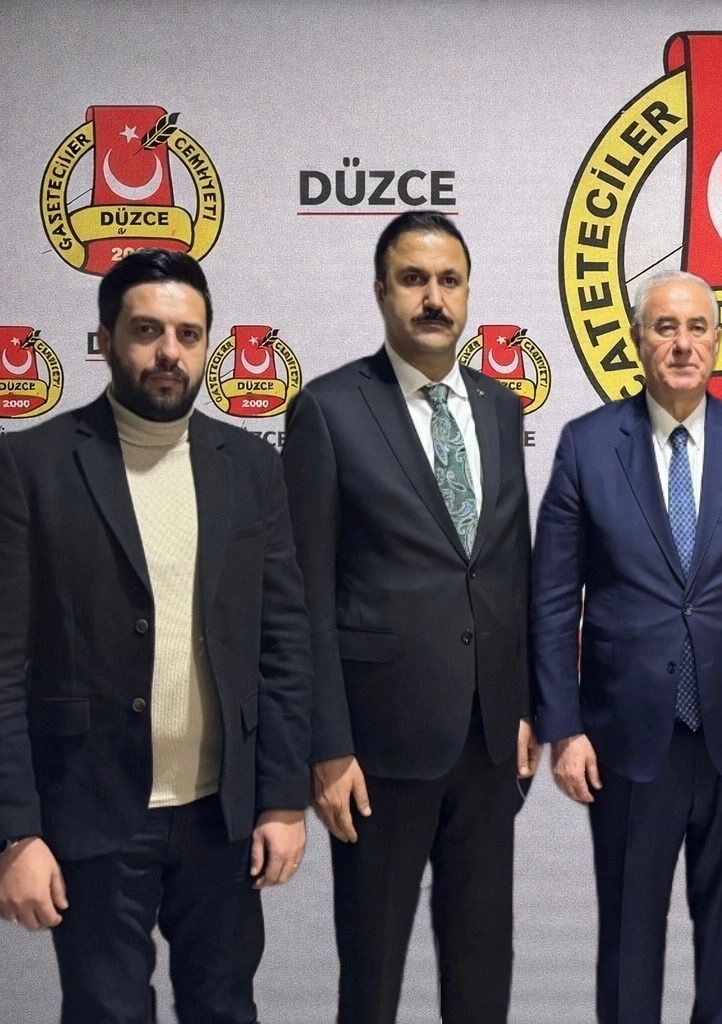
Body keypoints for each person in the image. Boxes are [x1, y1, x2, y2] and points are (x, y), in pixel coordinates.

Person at [0, 249, 311, 1023]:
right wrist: (16, 832)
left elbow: (283, 644)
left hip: (221, 813)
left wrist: (282, 799)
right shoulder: (30, 465)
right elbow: (3, 666)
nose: (169, 352)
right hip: (93, 809)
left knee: (225, 1007)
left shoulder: (251, 466)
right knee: (105, 1012)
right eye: (147, 331)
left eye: (188, 334)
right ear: (106, 338)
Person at [531, 269, 722, 1024]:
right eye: (665, 327)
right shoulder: (588, 444)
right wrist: (564, 728)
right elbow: (554, 599)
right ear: (637, 340)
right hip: (625, 738)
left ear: (718, 341)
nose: (682, 344)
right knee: (629, 941)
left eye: (697, 328)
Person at [282, 211, 538, 1023]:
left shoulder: (500, 407)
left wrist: (524, 705)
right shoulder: (328, 409)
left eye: (449, 281)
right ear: (381, 291)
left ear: (467, 293)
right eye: (414, 280)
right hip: (377, 750)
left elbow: (510, 570)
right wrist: (327, 746)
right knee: (372, 983)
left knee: (482, 974)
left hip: (489, 744)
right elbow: (305, 595)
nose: (434, 299)